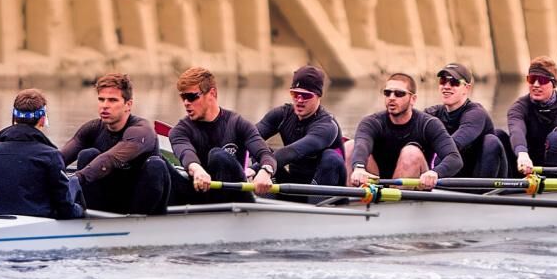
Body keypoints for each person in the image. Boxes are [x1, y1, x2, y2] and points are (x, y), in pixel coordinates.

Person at [59, 73, 171, 215]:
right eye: (101, 99)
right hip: (109, 203)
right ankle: (91, 219)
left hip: (143, 205)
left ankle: (140, 225)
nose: (105, 106)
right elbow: (58, 160)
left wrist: (78, 178)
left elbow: (110, 159)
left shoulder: (142, 131)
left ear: (128, 105)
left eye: (112, 100)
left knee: (156, 165)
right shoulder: (92, 128)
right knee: (87, 155)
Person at [168, 66, 276, 204]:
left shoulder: (237, 123)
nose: (186, 103)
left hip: (236, 198)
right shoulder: (179, 131)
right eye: (183, 97)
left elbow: (266, 154)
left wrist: (265, 171)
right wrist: (197, 170)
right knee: (156, 162)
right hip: (200, 194)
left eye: (191, 97)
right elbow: (185, 152)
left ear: (212, 93)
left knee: (217, 156)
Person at [0, 88, 85, 218]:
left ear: (14, 118)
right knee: (74, 182)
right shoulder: (51, 155)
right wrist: (81, 210)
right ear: (42, 119)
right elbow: (65, 209)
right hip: (38, 222)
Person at [345, 73, 462, 191]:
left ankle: (396, 205)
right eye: (387, 93)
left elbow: (454, 158)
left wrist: (435, 173)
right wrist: (359, 167)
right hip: (375, 186)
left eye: (399, 94)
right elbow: (362, 144)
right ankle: (352, 202)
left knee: (411, 152)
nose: (391, 97)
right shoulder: (371, 122)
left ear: (413, 99)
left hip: (412, 188)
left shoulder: (429, 124)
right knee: (350, 146)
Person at [255, 65, 347, 193]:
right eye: (295, 94)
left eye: (305, 96)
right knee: (259, 148)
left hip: (325, 186)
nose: (299, 100)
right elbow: (249, 137)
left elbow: (293, 151)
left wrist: (262, 169)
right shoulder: (281, 115)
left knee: (331, 157)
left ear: (318, 96)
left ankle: (315, 206)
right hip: (294, 184)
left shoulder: (327, 126)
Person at [423, 62, 508, 178]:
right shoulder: (432, 113)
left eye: (454, 82)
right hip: (453, 174)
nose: (446, 86)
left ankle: (482, 193)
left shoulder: (476, 114)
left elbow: (453, 146)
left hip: (481, 176)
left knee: (492, 140)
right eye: (443, 81)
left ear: (467, 88)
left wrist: (435, 172)